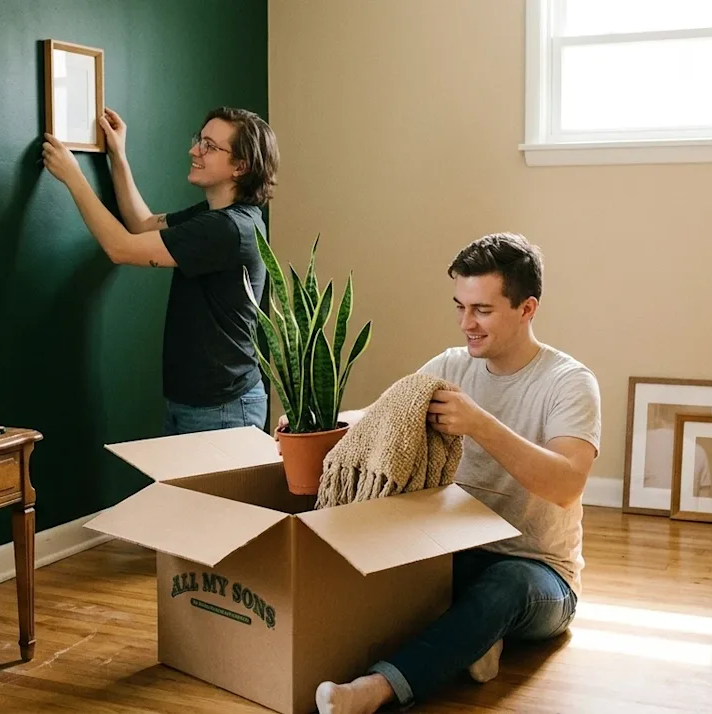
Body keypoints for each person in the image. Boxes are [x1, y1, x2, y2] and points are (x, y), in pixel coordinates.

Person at [308, 232, 602, 714]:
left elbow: (567, 485)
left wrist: (480, 424)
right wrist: (314, 422)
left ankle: (376, 691)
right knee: (389, 558)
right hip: (453, 555)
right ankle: (475, 640)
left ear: (527, 309)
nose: (467, 324)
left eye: (482, 310)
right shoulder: (452, 365)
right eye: (460, 307)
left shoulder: (568, 382)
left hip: (540, 575)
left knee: (503, 586)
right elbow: (384, 416)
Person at [41, 106, 279, 435]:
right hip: (198, 403)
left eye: (210, 146)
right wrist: (118, 156)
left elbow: (120, 248)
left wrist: (73, 177)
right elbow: (141, 225)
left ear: (241, 166)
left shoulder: (226, 228)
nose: (194, 150)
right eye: (199, 140)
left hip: (221, 410)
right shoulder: (218, 216)